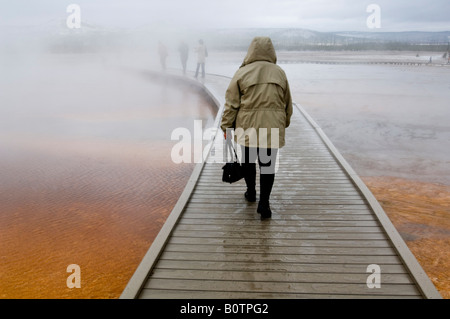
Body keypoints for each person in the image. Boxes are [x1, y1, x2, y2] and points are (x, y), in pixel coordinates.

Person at [220, 37, 293, 220]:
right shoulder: (279, 73)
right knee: (267, 166)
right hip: (272, 127)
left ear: (250, 51)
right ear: (271, 51)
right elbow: (287, 104)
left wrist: (226, 127)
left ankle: (251, 192)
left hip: (247, 126)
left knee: (248, 162)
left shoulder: (241, 73)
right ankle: (264, 204)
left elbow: (231, 104)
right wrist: (284, 123)